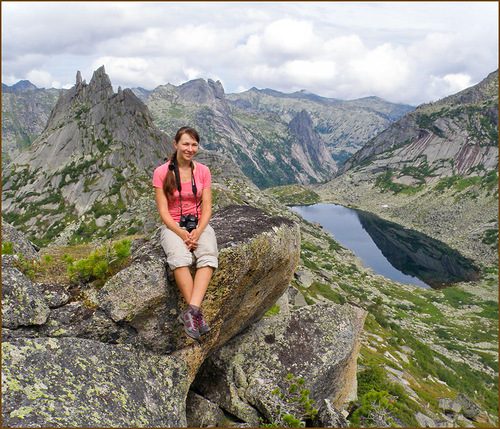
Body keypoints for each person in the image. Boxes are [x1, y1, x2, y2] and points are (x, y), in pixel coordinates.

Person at [152, 126, 218, 340]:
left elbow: (207, 207)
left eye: (194, 145)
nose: (190, 149)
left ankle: (191, 311)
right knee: (179, 258)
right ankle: (197, 315)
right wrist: (182, 234)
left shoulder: (203, 171)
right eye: (186, 144)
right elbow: (163, 211)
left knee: (208, 256)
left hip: (199, 224)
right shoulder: (161, 172)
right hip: (173, 226)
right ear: (176, 144)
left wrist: (198, 232)